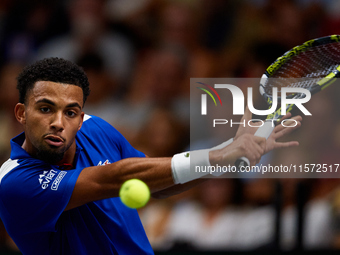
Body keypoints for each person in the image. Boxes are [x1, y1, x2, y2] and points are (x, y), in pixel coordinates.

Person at [0, 57, 301, 254]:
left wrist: (229, 159)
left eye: (71, 112)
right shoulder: (15, 181)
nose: (58, 121)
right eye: (45, 108)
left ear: (81, 118)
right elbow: (117, 177)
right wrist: (219, 154)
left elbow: (157, 182)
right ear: (21, 114)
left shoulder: (96, 129)